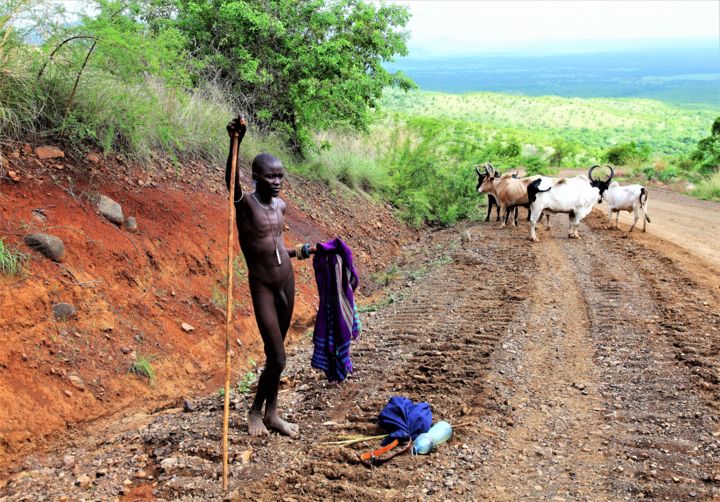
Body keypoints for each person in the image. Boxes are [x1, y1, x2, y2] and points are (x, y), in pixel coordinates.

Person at [225, 115, 313, 437]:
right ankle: (254, 412)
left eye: (280, 176)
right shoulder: (245, 204)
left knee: (276, 356)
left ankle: (272, 413)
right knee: (278, 356)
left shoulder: (281, 207)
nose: (277, 181)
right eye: (271, 176)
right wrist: (236, 142)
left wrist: (301, 251)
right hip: (262, 286)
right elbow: (231, 185)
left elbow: (275, 247)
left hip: (286, 283)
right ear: (256, 177)